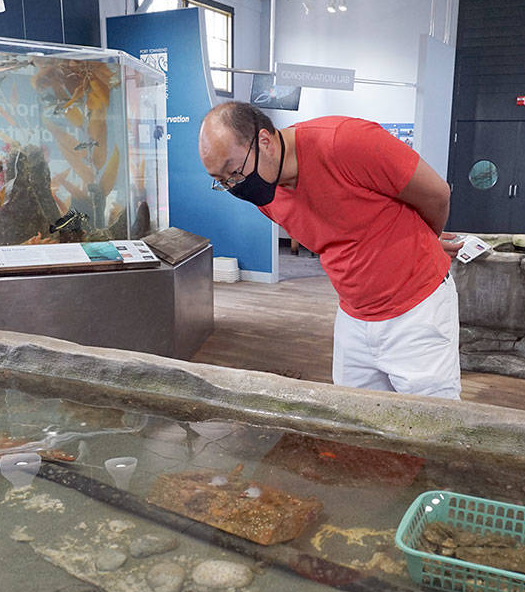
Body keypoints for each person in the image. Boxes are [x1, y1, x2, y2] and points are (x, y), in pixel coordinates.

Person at [198, 102, 461, 399]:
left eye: (233, 172)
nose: (234, 186)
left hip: (417, 309)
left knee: (433, 420)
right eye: (221, 182)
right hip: (354, 316)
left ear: (264, 141)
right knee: (356, 418)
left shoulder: (345, 141)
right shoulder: (265, 192)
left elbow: (436, 194)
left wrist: (424, 239)